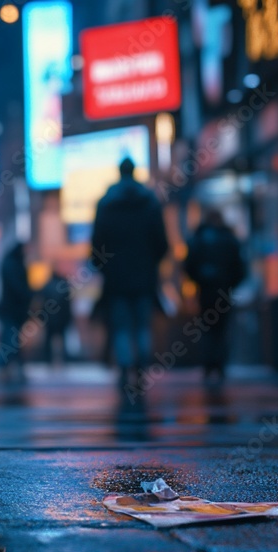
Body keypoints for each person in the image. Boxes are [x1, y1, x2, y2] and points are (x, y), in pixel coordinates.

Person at [91, 157, 168, 387]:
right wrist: (150, 263)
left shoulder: (106, 204)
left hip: (116, 280)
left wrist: (104, 267)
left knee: (121, 327)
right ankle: (141, 368)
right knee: (142, 326)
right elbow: (161, 243)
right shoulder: (150, 202)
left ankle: (125, 368)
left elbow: (97, 245)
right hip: (144, 278)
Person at [184, 208, 246, 382]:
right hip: (224, 291)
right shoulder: (229, 239)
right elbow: (240, 268)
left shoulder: (198, 239)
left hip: (205, 291)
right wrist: (230, 284)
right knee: (222, 329)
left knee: (207, 328)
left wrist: (199, 280)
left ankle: (208, 365)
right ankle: (220, 365)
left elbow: (189, 265)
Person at [0, 242, 32, 383]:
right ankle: (2, 366)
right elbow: (18, 287)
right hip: (13, 310)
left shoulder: (10, 263)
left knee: (11, 338)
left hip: (12, 310)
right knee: (10, 339)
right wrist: (28, 294)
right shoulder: (13, 265)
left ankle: (7, 367)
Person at [40, 271, 72, 367]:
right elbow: (67, 305)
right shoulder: (64, 286)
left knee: (48, 339)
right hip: (61, 318)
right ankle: (64, 359)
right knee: (62, 338)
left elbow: (43, 303)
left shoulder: (47, 285)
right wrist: (68, 318)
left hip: (49, 318)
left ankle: (47, 359)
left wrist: (42, 317)